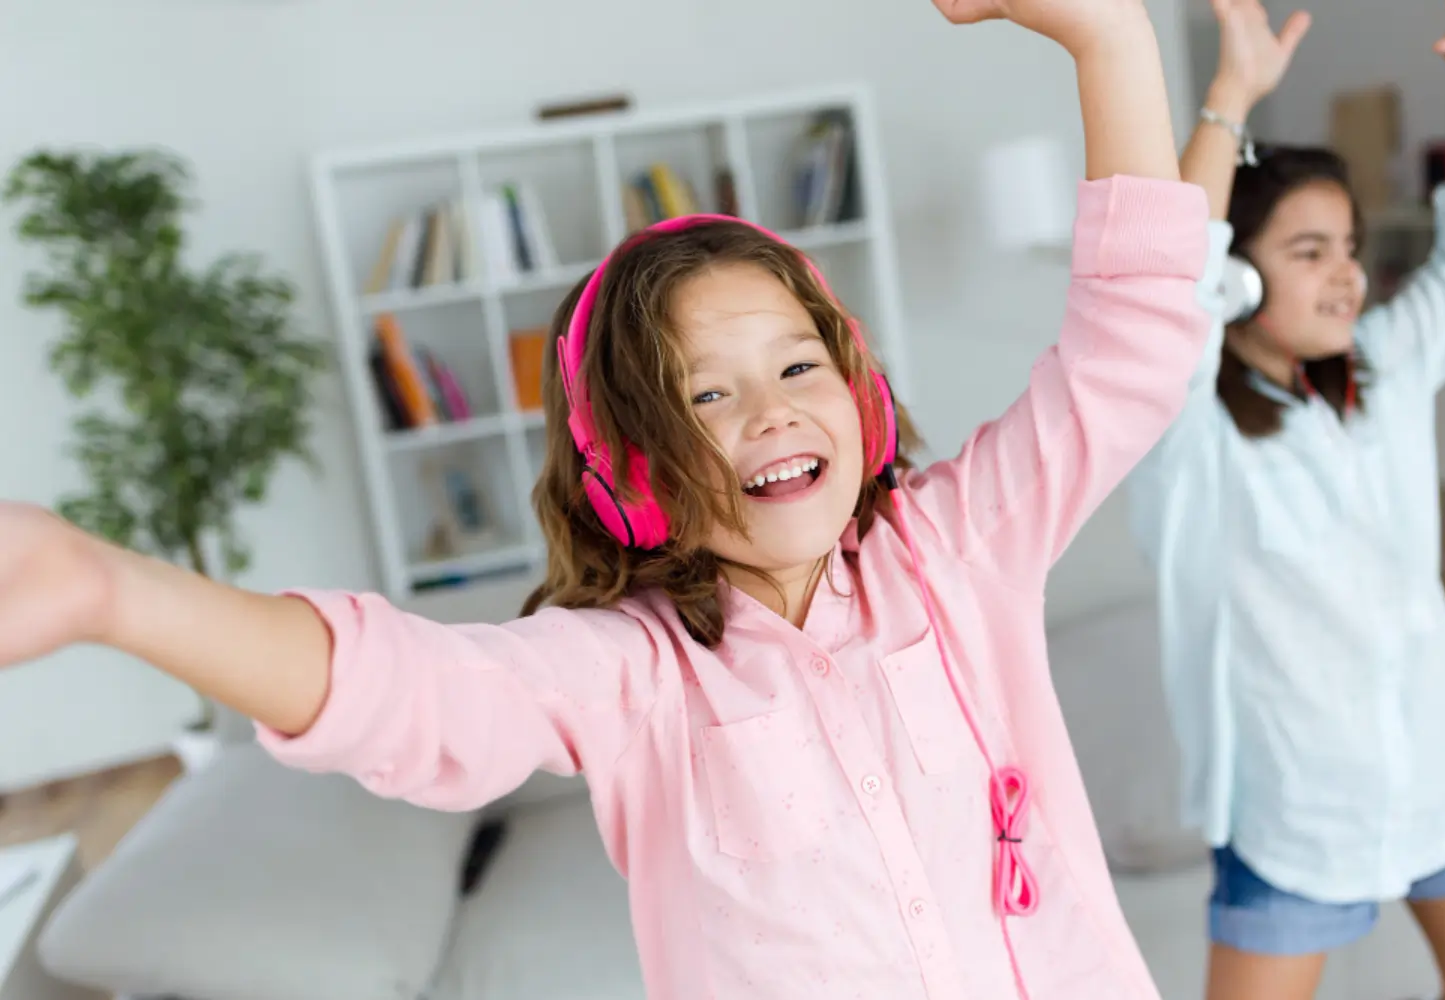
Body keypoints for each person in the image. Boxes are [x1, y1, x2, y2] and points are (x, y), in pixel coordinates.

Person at [0, 0, 1213, 995]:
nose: (770, 411)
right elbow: (409, 695)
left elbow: (1133, 351)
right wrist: (117, 591)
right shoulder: (633, 674)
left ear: (861, 397)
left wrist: (1109, 37)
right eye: (705, 397)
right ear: (631, 474)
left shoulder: (959, 546)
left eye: (798, 368)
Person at [1128, 0, 1445, 996]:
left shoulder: (1383, 366)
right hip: (1294, 813)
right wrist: (1227, 100)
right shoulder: (1186, 437)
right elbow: (1167, 300)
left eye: (1348, 246)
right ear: (1237, 282)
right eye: (1309, 252)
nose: (1346, 274)